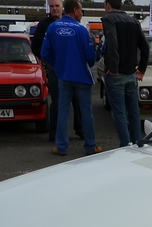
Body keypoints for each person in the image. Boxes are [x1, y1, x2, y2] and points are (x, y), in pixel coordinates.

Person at [42, 0, 102, 156]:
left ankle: (61, 146)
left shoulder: (52, 27)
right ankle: (90, 145)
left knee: (63, 111)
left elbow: (44, 53)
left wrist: (56, 65)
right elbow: (90, 55)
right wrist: (88, 63)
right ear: (75, 10)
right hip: (82, 77)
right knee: (86, 112)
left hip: (64, 76)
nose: (82, 13)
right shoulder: (81, 30)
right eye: (81, 10)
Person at [32, 0, 84, 142]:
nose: (54, 9)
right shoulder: (43, 26)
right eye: (52, 6)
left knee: (77, 100)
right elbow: (35, 48)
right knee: (57, 102)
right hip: (55, 70)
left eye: (57, 6)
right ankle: (54, 133)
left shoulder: (73, 24)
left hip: (73, 69)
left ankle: (80, 129)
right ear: (49, 8)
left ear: (62, 7)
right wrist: (49, 63)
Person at [102, 0, 149, 147]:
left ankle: (125, 144)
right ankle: (137, 142)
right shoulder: (134, 22)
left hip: (117, 74)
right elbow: (145, 47)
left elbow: (112, 44)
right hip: (131, 73)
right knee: (134, 111)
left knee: (119, 113)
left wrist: (113, 68)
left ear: (108, 4)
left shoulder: (109, 19)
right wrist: (141, 69)